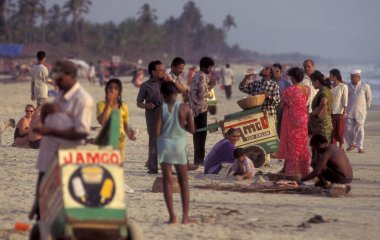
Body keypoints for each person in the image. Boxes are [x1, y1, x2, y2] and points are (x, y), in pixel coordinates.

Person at [30, 60, 93, 220]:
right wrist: (47, 111)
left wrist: (51, 131)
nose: (56, 81)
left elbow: (81, 133)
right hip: (48, 154)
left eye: (60, 78)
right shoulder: (60, 94)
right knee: (43, 205)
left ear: (71, 76)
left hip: (67, 158)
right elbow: (49, 119)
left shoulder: (82, 99)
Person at [156, 81, 195, 224]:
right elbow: (192, 129)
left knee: (167, 181)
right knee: (184, 181)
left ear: (163, 95)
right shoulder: (185, 108)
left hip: (165, 145)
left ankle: (172, 216)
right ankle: (185, 217)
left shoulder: (161, 109)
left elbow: (157, 131)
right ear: (176, 94)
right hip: (178, 146)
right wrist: (181, 125)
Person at [278, 67, 311, 177]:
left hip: (292, 119)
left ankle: (292, 170)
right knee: (302, 144)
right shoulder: (307, 89)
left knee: (292, 145)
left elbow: (281, 105)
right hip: (303, 118)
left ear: (292, 77)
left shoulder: (289, 90)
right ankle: (303, 169)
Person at [137, 60, 165, 174]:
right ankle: (153, 168)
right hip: (152, 117)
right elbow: (138, 103)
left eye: (163, 70)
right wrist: (147, 105)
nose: (162, 72)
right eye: (159, 70)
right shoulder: (145, 85)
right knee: (154, 142)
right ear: (152, 71)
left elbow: (180, 91)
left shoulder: (166, 83)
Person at [97, 78, 136, 159]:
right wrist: (108, 104)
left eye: (116, 88)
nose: (112, 90)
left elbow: (125, 125)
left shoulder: (124, 106)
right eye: (110, 87)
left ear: (119, 92)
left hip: (120, 141)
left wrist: (130, 135)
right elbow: (101, 121)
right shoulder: (101, 104)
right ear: (106, 89)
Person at [189, 57, 216, 166]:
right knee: (201, 133)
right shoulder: (201, 77)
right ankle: (199, 159)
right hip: (200, 108)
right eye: (209, 68)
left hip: (196, 108)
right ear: (204, 67)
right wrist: (211, 87)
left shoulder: (198, 75)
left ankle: (198, 158)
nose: (211, 70)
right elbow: (202, 94)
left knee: (198, 133)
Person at [345, 69, 372, 153]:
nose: (352, 78)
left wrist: (366, 108)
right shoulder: (347, 86)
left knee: (360, 129)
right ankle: (352, 143)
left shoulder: (365, 86)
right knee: (348, 129)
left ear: (358, 77)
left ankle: (360, 147)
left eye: (353, 77)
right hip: (349, 111)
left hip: (361, 112)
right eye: (351, 77)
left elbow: (369, 98)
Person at [309, 70, 333, 142]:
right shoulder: (326, 89)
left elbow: (323, 102)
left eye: (312, 82)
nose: (312, 84)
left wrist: (316, 112)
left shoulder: (323, 91)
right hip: (324, 123)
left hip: (321, 125)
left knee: (322, 147)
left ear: (317, 81)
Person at [272, 63, 292, 137]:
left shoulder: (286, 83)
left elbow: (291, 95)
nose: (275, 73)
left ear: (280, 72)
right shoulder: (268, 82)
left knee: (281, 126)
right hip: (271, 107)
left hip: (282, 108)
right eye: (273, 70)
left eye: (277, 71)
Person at [330, 69, 348, 149]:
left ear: (335, 76)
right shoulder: (329, 86)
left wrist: (344, 113)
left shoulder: (343, 86)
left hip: (340, 112)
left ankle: (341, 146)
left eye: (331, 75)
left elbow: (345, 100)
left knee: (340, 131)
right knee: (332, 131)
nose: (329, 77)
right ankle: (334, 147)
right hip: (331, 112)